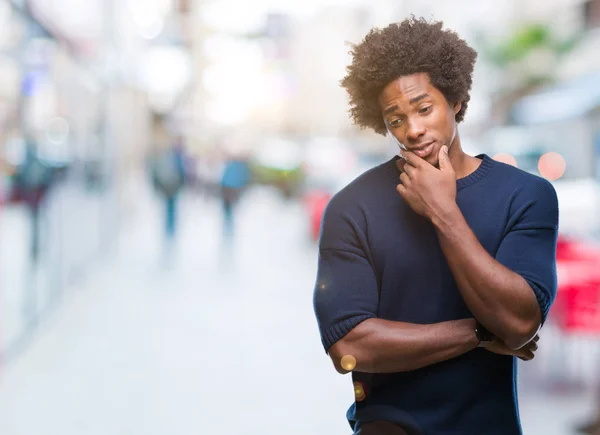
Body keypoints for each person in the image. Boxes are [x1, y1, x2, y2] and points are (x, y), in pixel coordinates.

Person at [313, 17, 559, 435]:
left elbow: (519, 324)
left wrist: (444, 212)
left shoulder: (526, 195)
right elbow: (349, 349)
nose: (412, 130)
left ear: (457, 100)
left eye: (424, 108)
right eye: (395, 119)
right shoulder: (352, 207)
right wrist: (478, 332)